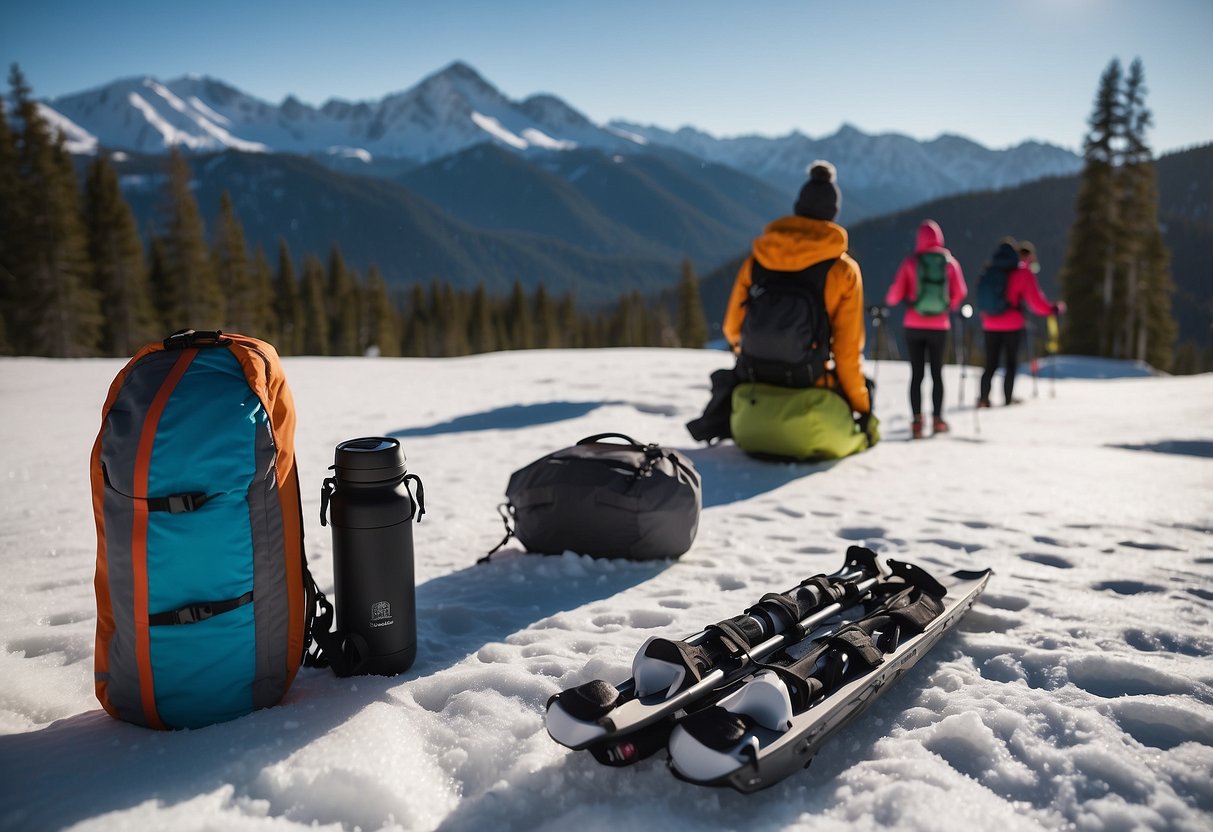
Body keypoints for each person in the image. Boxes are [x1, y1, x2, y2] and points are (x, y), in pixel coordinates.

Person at [721, 160, 876, 446]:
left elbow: (732, 329)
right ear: (832, 214)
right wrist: (862, 408)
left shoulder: (757, 261)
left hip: (751, 405)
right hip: (812, 401)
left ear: (798, 208)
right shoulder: (843, 271)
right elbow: (847, 352)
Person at [884, 219, 967, 438]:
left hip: (913, 324)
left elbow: (893, 296)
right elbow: (960, 292)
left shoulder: (911, 263)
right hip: (940, 326)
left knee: (917, 374)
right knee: (937, 373)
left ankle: (917, 422)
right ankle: (938, 419)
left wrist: (902, 300)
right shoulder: (949, 263)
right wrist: (948, 306)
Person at [977, 238, 1064, 407]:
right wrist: (1051, 309)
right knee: (1010, 363)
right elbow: (1035, 301)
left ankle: (983, 398)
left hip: (990, 324)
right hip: (1012, 324)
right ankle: (1007, 399)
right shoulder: (1022, 272)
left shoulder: (990, 270)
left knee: (990, 363)